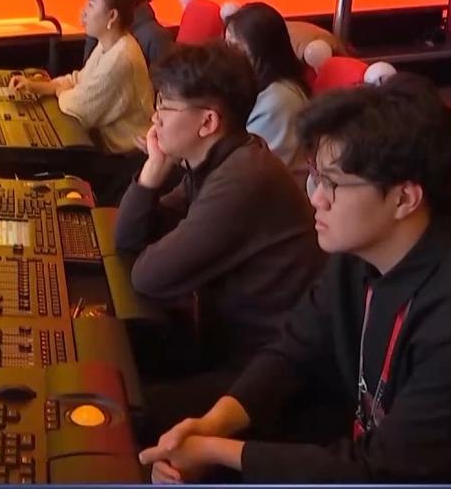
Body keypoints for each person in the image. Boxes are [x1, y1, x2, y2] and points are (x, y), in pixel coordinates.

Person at [138, 74, 451, 483]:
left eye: (333, 184)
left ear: (404, 198)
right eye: (316, 177)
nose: (316, 198)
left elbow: (380, 472)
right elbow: (294, 348)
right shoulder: (361, 254)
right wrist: (213, 424)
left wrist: (216, 451)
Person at [115, 43, 325, 437]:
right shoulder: (224, 160)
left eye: (165, 107)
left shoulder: (243, 178)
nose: (155, 118)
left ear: (208, 121)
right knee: (115, 358)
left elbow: (149, 276)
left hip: (266, 376)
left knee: (120, 413)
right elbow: (128, 238)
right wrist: (153, 170)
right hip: (226, 345)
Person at [10, 0, 153, 202]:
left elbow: (78, 108)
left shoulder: (121, 58)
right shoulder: (109, 44)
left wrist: (58, 91)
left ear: (112, 16)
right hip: (105, 150)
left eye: (91, 4)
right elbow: (78, 80)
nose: (83, 11)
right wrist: (38, 86)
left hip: (123, 164)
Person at [224, 2, 312, 173]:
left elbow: (244, 167)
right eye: (225, 44)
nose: (226, 54)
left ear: (263, 49)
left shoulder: (278, 100)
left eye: (234, 47)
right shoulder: (250, 85)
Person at [82, 0, 172, 67]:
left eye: (91, 4)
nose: (84, 10)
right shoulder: (102, 33)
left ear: (112, 14)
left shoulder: (154, 37)